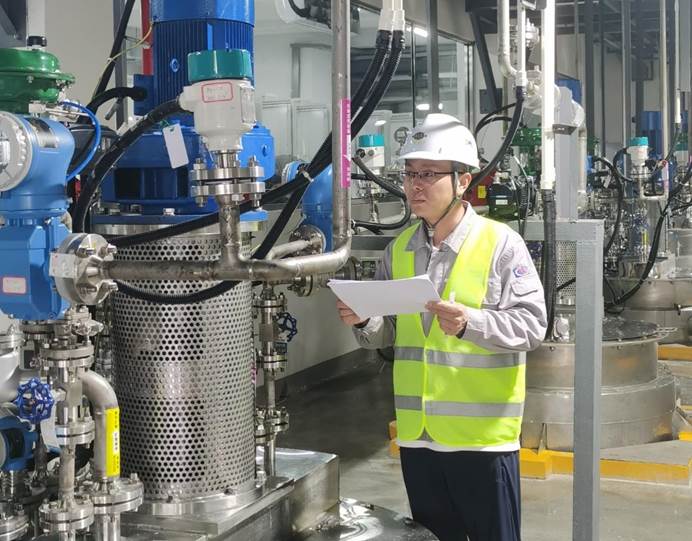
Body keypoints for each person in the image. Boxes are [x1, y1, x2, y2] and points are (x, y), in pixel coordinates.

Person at [336, 113, 547, 541]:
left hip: (482, 441)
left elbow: (532, 327)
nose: (415, 185)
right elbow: (391, 333)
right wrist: (365, 320)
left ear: (462, 181)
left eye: (429, 174)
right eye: (409, 174)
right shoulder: (398, 250)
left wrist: (471, 323)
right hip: (419, 438)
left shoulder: (501, 244)